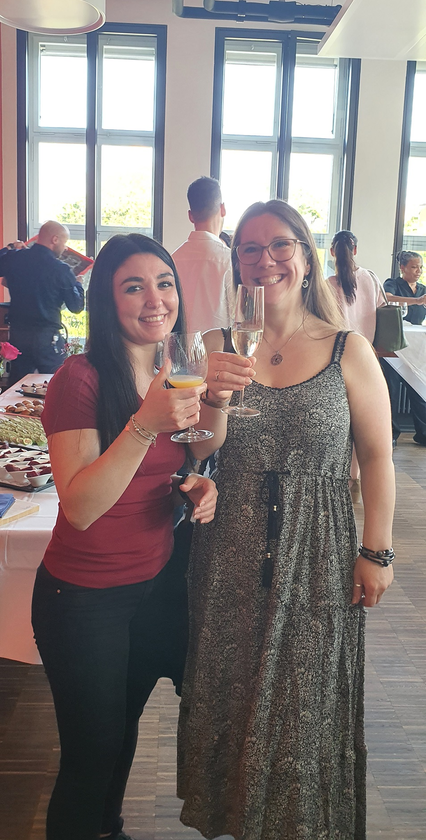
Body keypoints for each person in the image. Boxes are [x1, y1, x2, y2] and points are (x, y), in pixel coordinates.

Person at [177, 200, 395, 840]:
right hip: (230, 551)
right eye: (249, 247)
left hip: (320, 551)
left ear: (305, 256)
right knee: (232, 693)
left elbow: (377, 457)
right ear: (236, 261)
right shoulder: (214, 345)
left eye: (280, 245)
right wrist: (214, 400)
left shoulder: (348, 350)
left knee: (307, 700)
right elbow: (199, 451)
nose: (265, 259)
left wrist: (376, 552)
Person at [31, 233, 218, 840]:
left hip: (154, 582)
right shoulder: (79, 378)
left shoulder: (173, 370)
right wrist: (144, 424)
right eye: (133, 287)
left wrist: (193, 484)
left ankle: (106, 830)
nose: (155, 299)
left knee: (121, 732)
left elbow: (188, 455)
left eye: (164, 283)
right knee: (90, 752)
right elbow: (81, 506)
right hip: (84, 597)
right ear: (107, 301)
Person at [327, 229, 384, 501]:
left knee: (342, 421)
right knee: (364, 423)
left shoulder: (329, 284)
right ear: (356, 250)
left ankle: (344, 478)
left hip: (338, 357)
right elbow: (381, 310)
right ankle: (356, 478)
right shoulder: (371, 278)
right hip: (369, 356)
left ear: (332, 252)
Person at [0, 220, 84, 383]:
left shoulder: (16, 258)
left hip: (18, 335)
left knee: (17, 385)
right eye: (64, 242)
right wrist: (78, 284)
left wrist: (10, 248)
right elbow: (76, 306)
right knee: (56, 384)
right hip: (47, 338)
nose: (65, 248)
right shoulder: (61, 269)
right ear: (55, 239)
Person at [172, 176, 234, 333]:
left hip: (179, 347)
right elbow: (238, 319)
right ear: (223, 209)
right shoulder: (229, 259)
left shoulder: (172, 260)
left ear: (190, 216)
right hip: (220, 347)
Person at [381, 250, 426, 446]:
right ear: (402, 268)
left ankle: (423, 433)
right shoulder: (392, 283)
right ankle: (390, 434)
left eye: (420, 267)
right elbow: (388, 298)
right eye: (414, 267)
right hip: (394, 344)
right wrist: (416, 301)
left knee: (418, 388)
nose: (418, 271)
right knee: (391, 390)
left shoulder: (423, 288)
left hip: (416, 346)